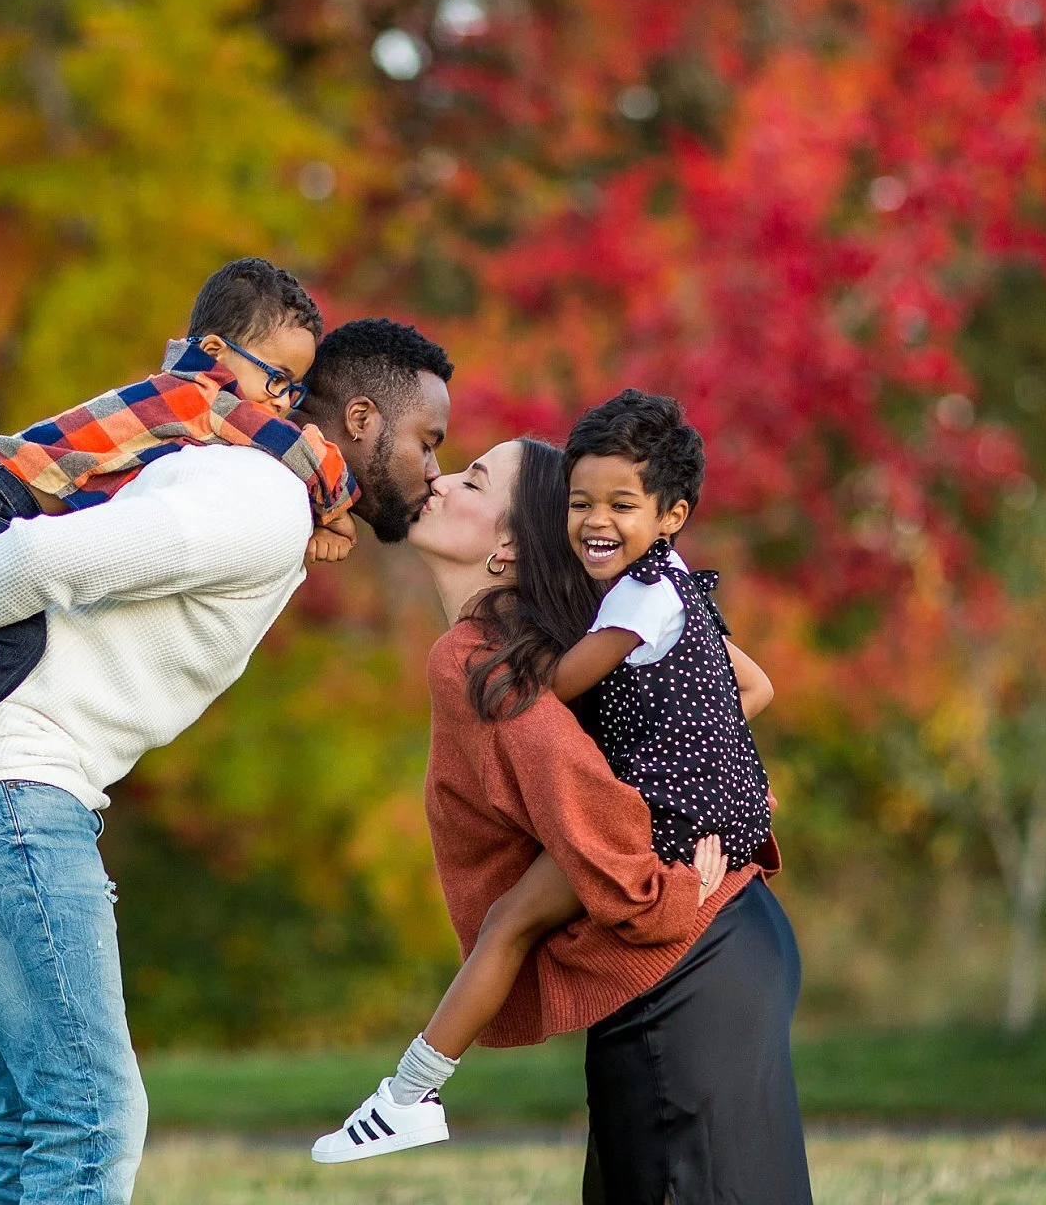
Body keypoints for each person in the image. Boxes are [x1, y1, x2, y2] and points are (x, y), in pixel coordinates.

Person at [0, 316, 454, 1205]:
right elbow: (39, 555)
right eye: (429, 440)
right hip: (13, 790)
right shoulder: (259, 498)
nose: (434, 467)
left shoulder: (260, 492)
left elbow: (60, 603)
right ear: (359, 419)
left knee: (48, 1121)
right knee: (89, 1123)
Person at [322, 434, 811, 1202]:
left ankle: (411, 1090)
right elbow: (739, 689)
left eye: (473, 481)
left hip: (687, 955)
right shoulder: (546, 642)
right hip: (708, 949)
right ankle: (411, 1090)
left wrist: (674, 862)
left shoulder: (487, 657)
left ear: (510, 546)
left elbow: (585, 801)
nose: (441, 482)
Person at [0, 258, 360, 902]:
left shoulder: (192, 418)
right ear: (212, 351)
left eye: (296, 390)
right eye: (278, 379)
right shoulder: (200, 398)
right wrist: (335, 507)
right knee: (22, 635)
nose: (283, 402)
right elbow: (299, 452)